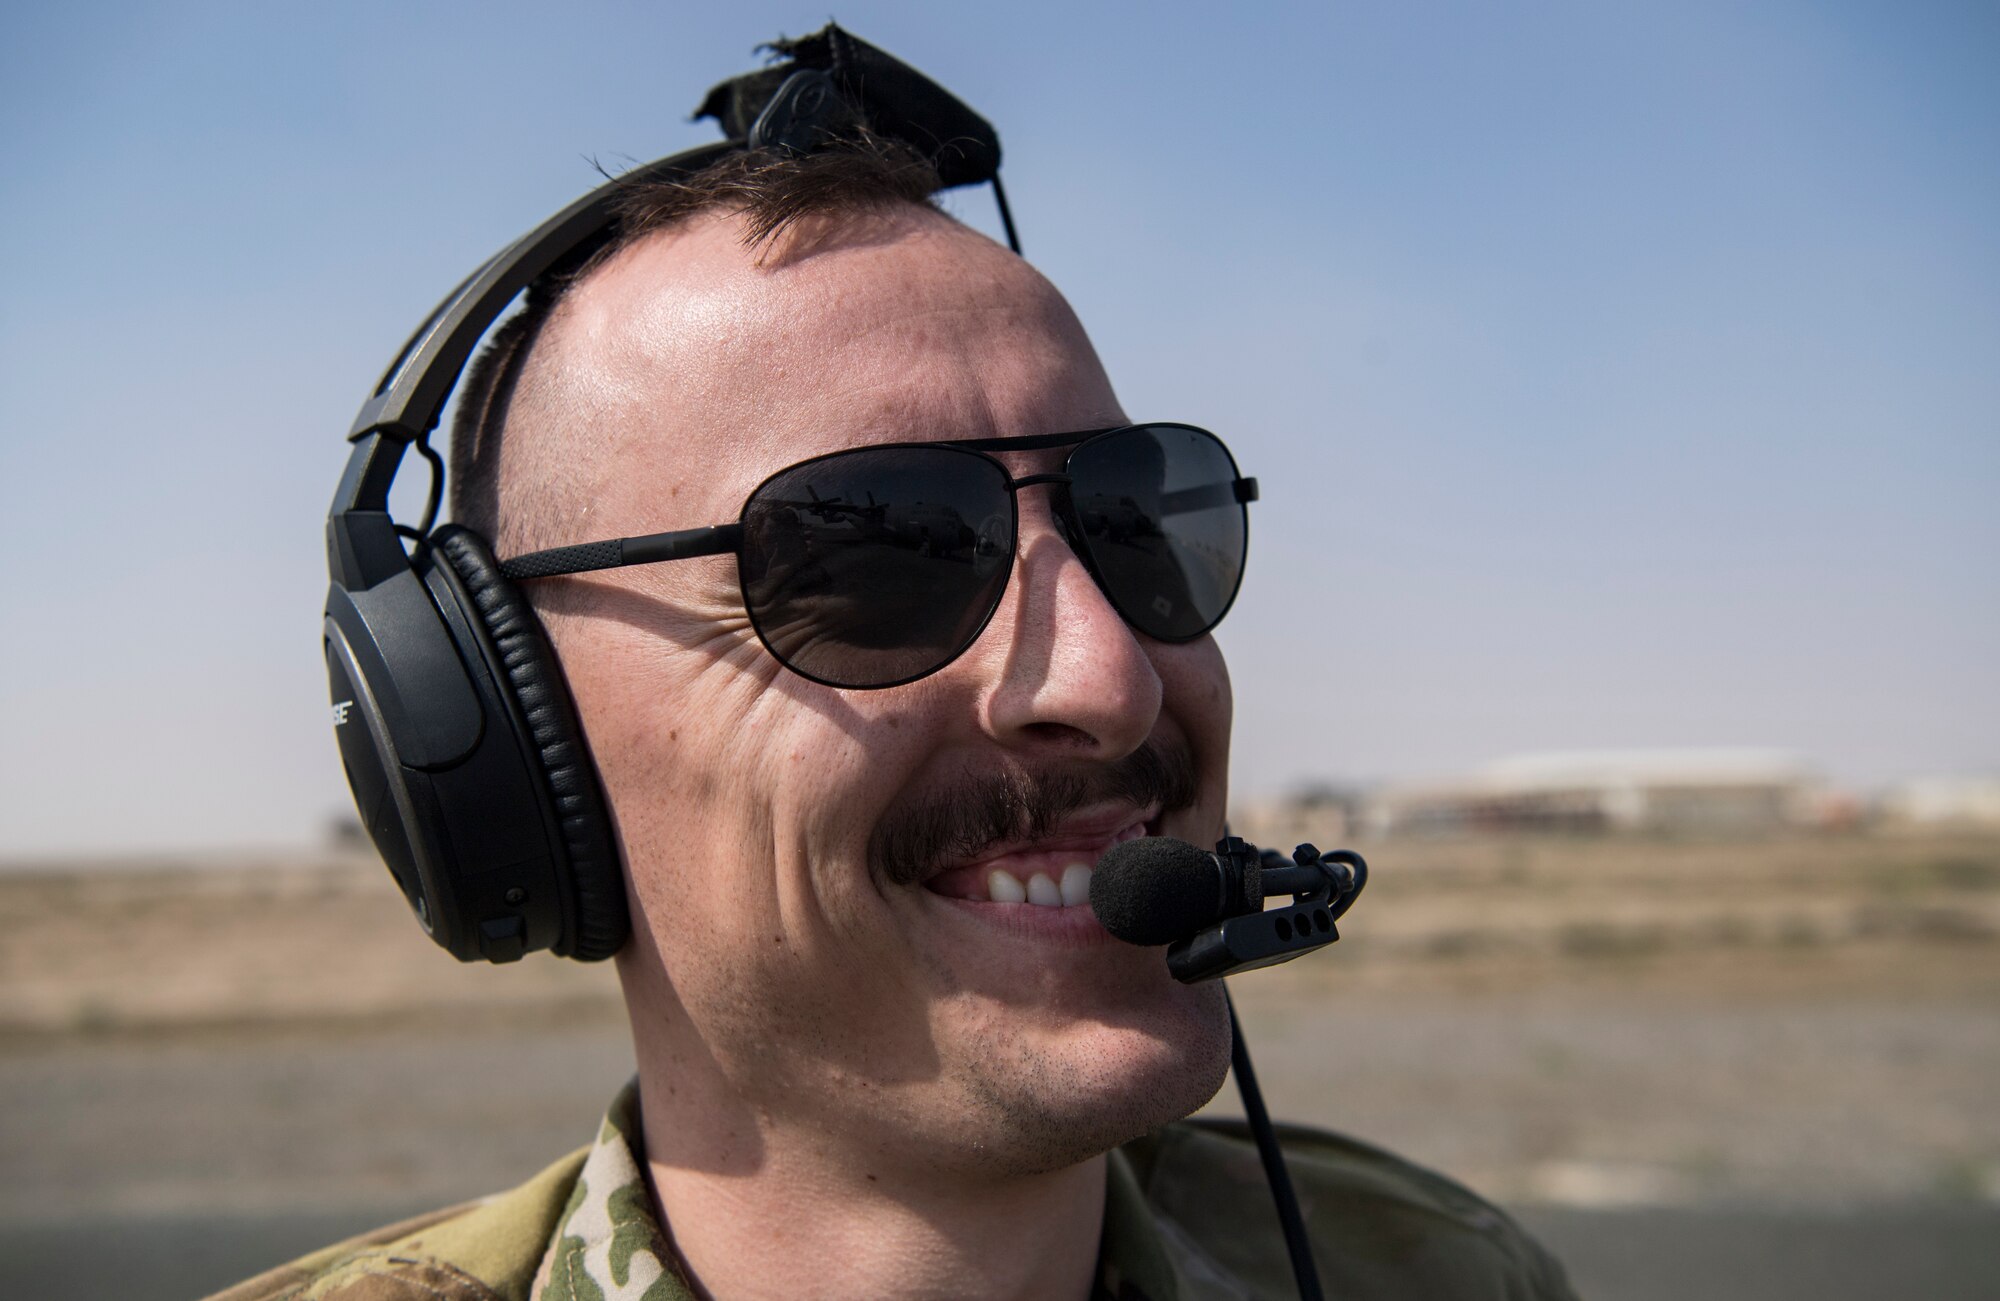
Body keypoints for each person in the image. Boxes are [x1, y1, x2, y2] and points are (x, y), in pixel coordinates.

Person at [219, 37, 1575, 1301]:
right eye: (873, 561)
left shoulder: (1439, 1272)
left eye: (1133, 519)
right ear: (513, 741)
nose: (1110, 679)